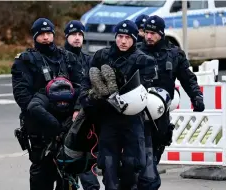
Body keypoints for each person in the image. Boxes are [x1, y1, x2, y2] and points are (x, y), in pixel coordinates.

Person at [79, 19, 157, 190]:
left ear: (135, 38)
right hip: (108, 120)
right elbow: (85, 83)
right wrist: (89, 100)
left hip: (133, 120)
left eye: (127, 37)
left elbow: (146, 88)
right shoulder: (101, 56)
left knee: (132, 165)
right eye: (120, 36)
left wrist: (122, 88)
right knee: (108, 169)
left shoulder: (144, 60)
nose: (123, 41)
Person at [11, 17, 84, 190]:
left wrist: (76, 110)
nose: (45, 37)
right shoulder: (25, 61)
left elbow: (82, 87)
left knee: (68, 173)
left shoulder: (67, 58)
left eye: (48, 33)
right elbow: (22, 96)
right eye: (41, 34)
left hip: (68, 124)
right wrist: (46, 117)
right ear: (35, 36)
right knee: (41, 172)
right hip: (40, 125)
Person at [137, 15, 205, 189]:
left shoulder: (174, 54)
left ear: (161, 33)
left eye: (153, 33)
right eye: (147, 32)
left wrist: (196, 97)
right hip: (137, 116)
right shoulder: (136, 52)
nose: (149, 36)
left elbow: (188, 79)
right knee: (144, 162)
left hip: (161, 118)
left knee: (153, 157)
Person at [63, 20, 101, 190]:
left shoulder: (89, 60)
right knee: (66, 168)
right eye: (73, 35)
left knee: (86, 162)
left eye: (80, 35)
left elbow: (92, 86)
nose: (77, 38)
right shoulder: (60, 58)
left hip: (85, 118)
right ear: (66, 36)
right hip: (64, 117)